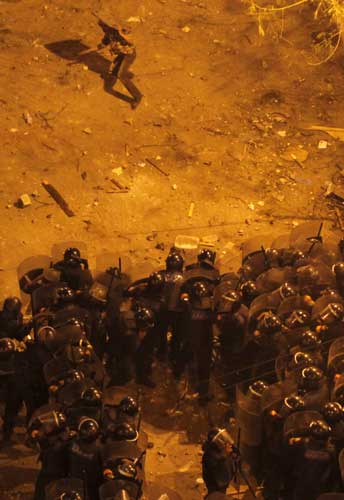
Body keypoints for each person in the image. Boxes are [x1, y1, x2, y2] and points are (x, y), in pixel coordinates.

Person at [98, 19, 142, 109]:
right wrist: (102, 44)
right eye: (102, 27)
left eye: (104, 26)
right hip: (122, 54)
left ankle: (137, 97)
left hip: (128, 55)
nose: (103, 28)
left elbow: (123, 45)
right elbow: (107, 39)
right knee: (114, 70)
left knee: (121, 76)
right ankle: (124, 75)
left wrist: (109, 51)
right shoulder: (109, 33)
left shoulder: (122, 35)